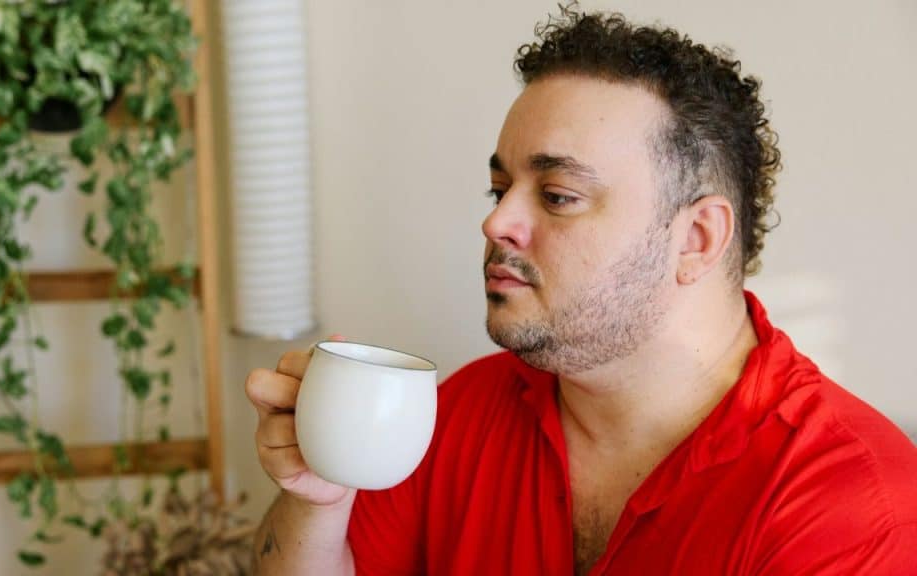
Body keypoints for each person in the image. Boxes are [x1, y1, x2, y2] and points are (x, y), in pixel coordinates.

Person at [244, 4, 917, 575]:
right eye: (500, 187)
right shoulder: (458, 416)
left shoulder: (847, 501)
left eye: (558, 195)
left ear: (697, 239)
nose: (497, 221)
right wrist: (319, 499)